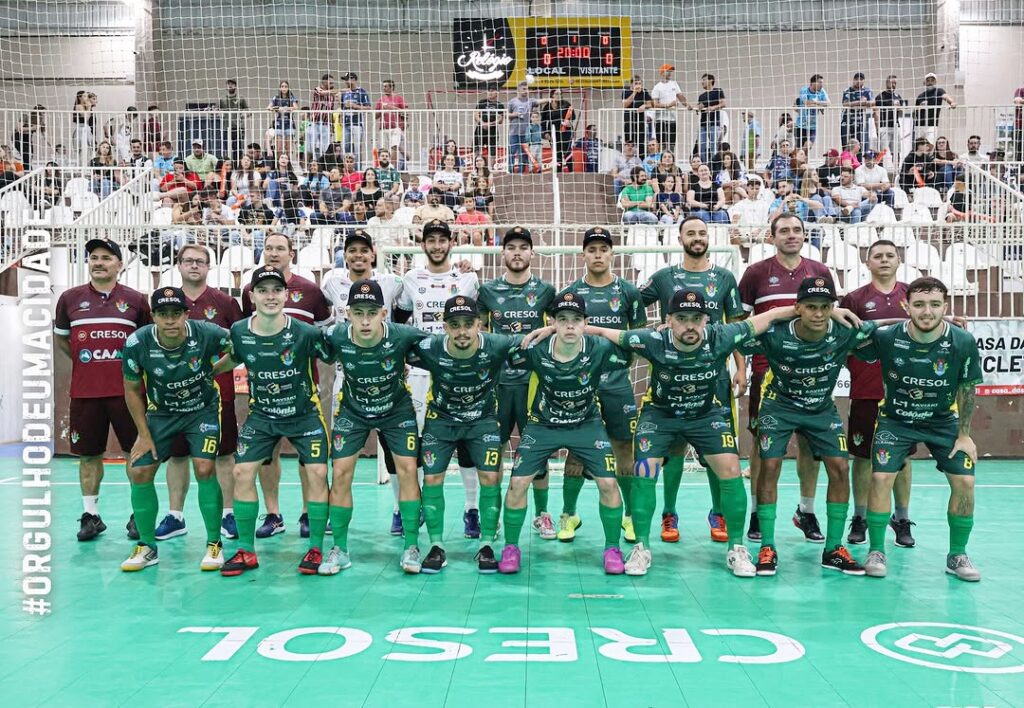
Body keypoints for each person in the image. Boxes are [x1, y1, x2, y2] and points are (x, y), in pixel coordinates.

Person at [589, 289, 817, 576]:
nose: (689, 325)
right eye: (682, 318)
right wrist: (560, 327)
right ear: (669, 320)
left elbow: (768, 317)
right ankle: (641, 548)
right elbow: (606, 332)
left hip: (706, 415)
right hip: (660, 416)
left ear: (706, 320)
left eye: (696, 318)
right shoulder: (652, 340)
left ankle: (737, 547)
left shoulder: (719, 336)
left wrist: (826, 311)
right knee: (644, 470)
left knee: (732, 469)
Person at [742, 277, 876, 576]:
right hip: (779, 406)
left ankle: (833, 549)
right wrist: (779, 313)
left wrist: (946, 322)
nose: (818, 313)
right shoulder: (776, 333)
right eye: (811, 307)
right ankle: (767, 545)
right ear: (798, 307)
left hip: (820, 408)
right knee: (770, 466)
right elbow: (736, 333)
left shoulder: (845, 330)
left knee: (840, 468)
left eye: (825, 307)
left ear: (833, 308)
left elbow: (889, 327)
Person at [212, 266, 333, 577]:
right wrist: (206, 373)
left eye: (276, 290)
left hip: (304, 415)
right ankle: (246, 551)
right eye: (263, 291)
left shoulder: (306, 332)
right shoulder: (239, 331)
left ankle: (316, 547)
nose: (270, 296)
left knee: (319, 472)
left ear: (286, 295)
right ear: (252, 297)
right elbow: (235, 357)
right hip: (262, 416)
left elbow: (333, 355)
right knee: (241, 471)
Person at [860, 277, 983, 582]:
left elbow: (968, 389)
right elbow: (856, 334)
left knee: (966, 483)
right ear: (906, 306)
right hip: (896, 421)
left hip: (944, 423)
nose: (927, 311)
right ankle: (876, 550)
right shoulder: (888, 337)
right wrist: (891, 320)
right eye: (918, 304)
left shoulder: (962, 341)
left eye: (934, 304)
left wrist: (964, 435)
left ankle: (957, 554)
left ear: (946, 306)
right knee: (880, 477)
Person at [497, 292, 627, 575]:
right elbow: (500, 349)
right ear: (552, 322)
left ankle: (612, 548)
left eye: (576, 320)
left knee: (608, 484)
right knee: (518, 483)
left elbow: (634, 343)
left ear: (585, 323)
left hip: (586, 424)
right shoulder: (535, 348)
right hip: (543, 425)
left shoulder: (600, 348)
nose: (570, 326)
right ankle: (510, 547)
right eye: (562, 320)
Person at [639, 216, 746, 544]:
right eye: (691, 233)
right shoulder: (664, 277)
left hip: (714, 379)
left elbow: (736, 325)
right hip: (670, 376)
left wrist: (741, 368)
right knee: (671, 449)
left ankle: (719, 512)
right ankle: (669, 513)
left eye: (702, 232)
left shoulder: (725, 278)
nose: (697, 238)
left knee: (719, 451)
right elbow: (632, 305)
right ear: (680, 237)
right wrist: (652, 329)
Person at [408, 295, 531, 573]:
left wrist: (550, 329)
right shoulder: (431, 347)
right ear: (445, 326)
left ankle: (486, 544)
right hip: (441, 421)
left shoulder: (497, 344)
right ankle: (436, 546)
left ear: (480, 324)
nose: (462, 331)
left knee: (490, 477)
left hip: (483, 421)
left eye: (468, 323)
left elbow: (532, 339)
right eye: (454, 324)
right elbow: (396, 342)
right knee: (432, 478)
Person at [317, 279, 429, 574]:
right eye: (358, 312)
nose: (365, 320)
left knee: (407, 470)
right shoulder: (336, 336)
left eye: (372, 312)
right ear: (348, 313)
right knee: (340, 473)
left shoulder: (403, 335)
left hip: (396, 411)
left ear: (383, 313)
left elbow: (443, 347)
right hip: (353, 411)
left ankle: (412, 547)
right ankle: (339, 549)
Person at [119, 287, 230, 572]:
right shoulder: (137, 343)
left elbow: (240, 350)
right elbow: (132, 389)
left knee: (205, 468)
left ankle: (214, 544)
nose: (170, 320)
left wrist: (214, 370)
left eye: (176, 314)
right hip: (162, 412)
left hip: (201, 409)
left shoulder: (206, 332)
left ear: (185, 314)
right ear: (153, 316)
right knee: (140, 470)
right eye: (163, 314)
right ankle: (146, 547)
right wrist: (144, 435)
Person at [738, 214, 832, 543]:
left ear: (805, 235)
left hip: (813, 372)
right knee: (761, 446)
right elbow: (739, 323)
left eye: (797, 230)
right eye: (784, 231)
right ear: (772, 236)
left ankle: (806, 511)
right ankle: (755, 511)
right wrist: (740, 366)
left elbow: (833, 317)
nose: (791, 235)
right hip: (768, 371)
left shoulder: (819, 272)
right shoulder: (755, 273)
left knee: (811, 445)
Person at [53, 238, 150, 541]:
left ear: (119, 264)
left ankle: (139, 513)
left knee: (134, 453)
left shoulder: (136, 300)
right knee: (88, 456)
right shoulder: (70, 299)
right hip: (85, 393)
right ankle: (91, 516)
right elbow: (63, 341)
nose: (98, 262)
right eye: (94, 257)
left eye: (106, 257)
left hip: (128, 393)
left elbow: (147, 343)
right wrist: (89, 362)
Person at [149, 246, 245, 543]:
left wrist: (212, 371)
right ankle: (175, 516)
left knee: (224, 454)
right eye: (188, 261)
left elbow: (239, 346)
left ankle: (228, 513)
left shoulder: (226, 302)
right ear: (178, 265)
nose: (194, 266)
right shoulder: (167, 301)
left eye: (200, 261)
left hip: (217, 397)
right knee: (177, 457)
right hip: (173, 398)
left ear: (209, 266)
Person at [240, 233, 333, 538]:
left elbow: (321, 335)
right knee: (268, 455)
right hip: (264, 392)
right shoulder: (248, 291)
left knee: (311, 459)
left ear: (292, 253)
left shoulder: (310, 291)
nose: (274, 252)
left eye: (280, 248)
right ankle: (273, 513)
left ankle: (309, 514)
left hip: (303, 391)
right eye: (268, 248)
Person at [557, 227, 646, 544]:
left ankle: (630, 516)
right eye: (591, 249)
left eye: (603, 249)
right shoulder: (570, 294)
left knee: (625, 447)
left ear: (611, 253)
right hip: (580, 384)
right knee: (578, 448)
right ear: (583, 254)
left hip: (618, 382)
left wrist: (620, 365)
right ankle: (569, 514)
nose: (597, 254)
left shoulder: (628, 293)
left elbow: (637, 337)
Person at [395, 220, 481, 537]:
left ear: (450, 243)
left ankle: (471, 509)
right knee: (414, 441)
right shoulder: (410, 278)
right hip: (419, 371)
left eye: (442, 240)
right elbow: (399, 319)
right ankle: (406, 507)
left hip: (458, 371)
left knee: (466, 440)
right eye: (430, 240)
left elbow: (479, 322)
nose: (436, 245)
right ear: (423, 245)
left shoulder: (468, 278)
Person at [478, 227, 557, 540]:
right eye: (511, 247)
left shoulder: (546, 291)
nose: (517, 253)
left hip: (533, 384)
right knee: (493, 453)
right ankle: (494, 517)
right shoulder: (487, 291)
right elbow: (477, 331)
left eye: (523, 247)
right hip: (496, 384)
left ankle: (542, 515)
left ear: (532, 254)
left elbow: (561, 325)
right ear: (503, 253)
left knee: (535, 452)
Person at [839, 241, 916, 547]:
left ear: (899, 260)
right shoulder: (855, 298)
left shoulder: (912, 295)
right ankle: (860, 517)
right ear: (867, 262)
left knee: (904, 459)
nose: (884, 260)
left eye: (889, 255)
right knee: (861, 457)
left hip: (905, 393)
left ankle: (901, 517)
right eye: (878, 256)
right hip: (866, 391)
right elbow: (845, 343)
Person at [651, 63, 686, 153]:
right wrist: (668, 105)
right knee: (662, 143)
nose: (670, 73)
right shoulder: (657, 87)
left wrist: (689, 106)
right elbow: (654, 104)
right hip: (660, 119)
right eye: (668, 71)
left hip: (672, 119)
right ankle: (662, 161)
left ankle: (671, 161)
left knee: (671, 143)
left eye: (671, 71)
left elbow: (680, 96)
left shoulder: (674, 84)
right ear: (662, 73)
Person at [914, 72, 956, 146]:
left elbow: (945, 96)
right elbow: (914, 112)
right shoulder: (920, 96)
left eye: (932, 80)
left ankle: (928, 157)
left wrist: (952, 102)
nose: (930, 82)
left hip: (931, 125)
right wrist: (919, 107)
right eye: (928, 80)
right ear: (925, 82)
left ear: (935, 82)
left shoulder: (939, 91)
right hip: (919, 125)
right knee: (918, 147)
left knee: (930, 146)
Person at [539, 88, 576, 170]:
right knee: (557, 154)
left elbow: (573, 117)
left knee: (567, 152)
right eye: (556, 93)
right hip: (553, 133)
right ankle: (559, 174)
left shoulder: (566, 104)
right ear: (552, 95)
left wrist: (568, 123)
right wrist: (545, 133)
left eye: (560, 93)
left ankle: (571, 173)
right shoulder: (547, 106)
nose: (559, 95)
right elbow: (543, 122)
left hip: (565, 132)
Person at [340, 72, 371, 167]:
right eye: (345, 80)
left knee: (357, 147)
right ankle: (347, 168)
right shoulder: (344, 93)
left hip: (357, 123)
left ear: (353, 79)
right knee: (346, 147)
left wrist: (354, 106)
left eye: (347, 79)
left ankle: (358, 168)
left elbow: (368, 108)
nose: (346, 82)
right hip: (346, 124)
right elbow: (342, 108)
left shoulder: (361, 92)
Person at [875, 75, 906, 168]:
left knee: (896, 150)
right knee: (882, 151)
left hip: (895, 126)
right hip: (884, 126)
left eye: (895, 83)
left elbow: (902, 112)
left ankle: (897, 169)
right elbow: (876, 112)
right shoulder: (880, 96)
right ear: (887, 83)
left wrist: (899, 108)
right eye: (891, 82)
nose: (893, 84)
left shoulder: (898, 96)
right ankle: (879, 169)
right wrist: (877, 128)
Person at [840, 72, 876, 152]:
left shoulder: (867, 91)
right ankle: (845, 161)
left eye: (861, 79)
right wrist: (860, 102)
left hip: (860, 121)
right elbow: (845, 104)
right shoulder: (847, 90)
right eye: (856, 79)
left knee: (859, 144)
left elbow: (873, 102)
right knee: (846, 143)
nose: (858, 81)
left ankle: (858, 163)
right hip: (847, 120)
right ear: (853, 80)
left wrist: (865, 103)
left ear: (864, 81)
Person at [375, 79, 407, 166]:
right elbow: (375, 116)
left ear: (392, 87)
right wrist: (382, 109)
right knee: (383, 149)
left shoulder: (399, 98)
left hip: (396, 128)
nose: (384, 88)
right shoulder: (380, 100)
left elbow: (405, 112)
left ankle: (393, 168)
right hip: (384, 128)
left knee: (394, 147)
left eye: (386, 86)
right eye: (383, 86)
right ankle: (383, 167)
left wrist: (392, 108)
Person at [307, 74, 338, 162]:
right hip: (315, 123)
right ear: (324, 82)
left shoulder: (331, 95)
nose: (332, 85)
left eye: (333, 83)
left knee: (324, 148)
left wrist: (331, 126)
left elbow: (331, 110)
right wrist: (343, 90)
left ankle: (322, 165)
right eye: (330, 83)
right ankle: (308, 165)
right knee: (310, 147)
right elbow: (322, 93)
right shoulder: (317, 89)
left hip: (326, 124)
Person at [696, 73, 727, 164]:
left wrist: (713, 108)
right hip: (703, 123)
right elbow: (700, 105)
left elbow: (723, 104)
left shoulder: (718, 91)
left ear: (711, 81)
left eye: (704, 80)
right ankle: (704, 164)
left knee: (713, 145)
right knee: (701, 145)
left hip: (714, 123)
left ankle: (714, 164)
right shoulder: (702, 96)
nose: (702, 82)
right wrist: (696, 108)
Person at [794, 74, 830, 151]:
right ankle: (797, 161)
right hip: (801, 124)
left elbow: (828, 103)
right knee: (798, 149)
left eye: (822, 83)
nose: (821, 85)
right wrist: (819, 105)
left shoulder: (822, 91)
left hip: (812, 126)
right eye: (819, 82)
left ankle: (803, 161)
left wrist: (816, 102)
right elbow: (807, 103)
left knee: (808, 146)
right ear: (812, 83)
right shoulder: (804, 90)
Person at [267, 80, 298, 162]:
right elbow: (268, 107)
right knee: (279, 147)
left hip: (289, 123)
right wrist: (277, 108)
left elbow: (295, 107)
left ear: (288, 88)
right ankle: (279, 163)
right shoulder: (276, 98)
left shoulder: (291, 97)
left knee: (288, 147)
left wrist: (286, 108)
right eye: (282, 86)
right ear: (280, 88)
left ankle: (288, 164)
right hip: (279, 124)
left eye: (286, 86)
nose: (284, 88)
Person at [621, 75, 652, 157]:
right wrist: (634, 92)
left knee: (641, 142)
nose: (638, 85)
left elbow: (650, 103)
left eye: (640, 83)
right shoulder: (626, 92)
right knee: (629, 142)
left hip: (640, 121)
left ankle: (641, 161)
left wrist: (645, 106)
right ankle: (629, 161)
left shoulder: (644, 92)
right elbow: (625, 104)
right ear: (632, 84)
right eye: (636, 83)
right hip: (629, 121)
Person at [219, 79, 249, 162]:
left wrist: (244, 114)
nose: (230, 85)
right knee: (226, 148)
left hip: (238, 127)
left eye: (232, 84)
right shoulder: (222, 99)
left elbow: (248, 111)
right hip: (226, 127)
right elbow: (216, 110)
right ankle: (228, 167)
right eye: (228, 84)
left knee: (238, 149)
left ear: (235, 86)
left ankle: (238, 166)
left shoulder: (240, 98)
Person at [507, 82, 533, 173]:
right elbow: (506, 114)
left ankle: (521, 174)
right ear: (518, 90)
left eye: (527, 89)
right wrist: (514, 114)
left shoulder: (530, 101)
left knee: (523, 154)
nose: (526, 91)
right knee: (511, 153)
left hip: (525, 133)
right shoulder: (512, 101)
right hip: (513, 133)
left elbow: (540, 101)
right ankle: (509, 172)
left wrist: (550, 99)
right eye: (524, 89)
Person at [473, 87, 505, 159]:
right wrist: (482, 123)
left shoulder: (499, 105)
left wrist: (490, 124)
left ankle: (491, 168)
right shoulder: (482, 102)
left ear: (497, 93)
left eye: (492, 91)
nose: (490, 93)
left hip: (493, 130)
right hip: (480, 129)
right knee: (477, 148)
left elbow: (500, 120)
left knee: (492, 150)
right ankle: (476, 166)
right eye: (488, 91)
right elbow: (476, 116)